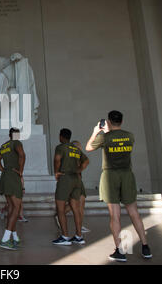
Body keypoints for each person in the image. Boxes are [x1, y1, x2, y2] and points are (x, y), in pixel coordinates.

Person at [85, 110, 152, 262]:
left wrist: (96, 132)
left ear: (108, 121)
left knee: (115, 215)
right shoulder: (130, 136)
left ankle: (120, 251)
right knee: (134, 212)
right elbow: (119, 142)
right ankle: (145, 246)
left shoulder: (104, 137)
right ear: (121, 121)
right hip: (127, 175)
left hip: (111, 176)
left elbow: (88, 147)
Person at [52, 129, 89, 246]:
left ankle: (65, 236)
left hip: (65, 178)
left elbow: (57, 159)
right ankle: (79, 236)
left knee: (61, 209)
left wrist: (56, 172)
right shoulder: (76, 149)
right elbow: (86, 161)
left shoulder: (61, 147)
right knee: (76, 209)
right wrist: (79, 170)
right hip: (76, 180)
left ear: (61, 137)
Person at [0, 128, 25, 250]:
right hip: (13, 176)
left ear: (9, 135)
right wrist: (20, 172)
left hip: (5, 176)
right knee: (16, 207)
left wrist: (4, 170)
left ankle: (15, 237)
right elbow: (22, 155)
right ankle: (5, 240)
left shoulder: (4, 145)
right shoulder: (17, 142)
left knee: (12, 207)